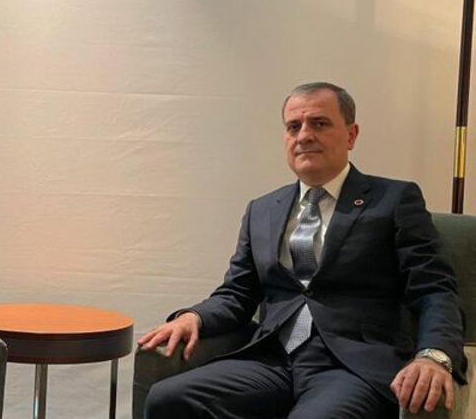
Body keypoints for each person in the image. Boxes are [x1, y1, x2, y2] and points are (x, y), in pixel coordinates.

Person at [139, 82, 467, 419]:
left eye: (319, 123)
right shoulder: (262, 209)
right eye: (293, 127)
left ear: (351, 135)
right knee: (168, 398)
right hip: (272, 361)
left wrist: (434, 354)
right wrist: (194, 316)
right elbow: (238, 293)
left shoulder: (393, 200)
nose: (304, 135)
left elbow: (434, 289)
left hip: (349, 367)